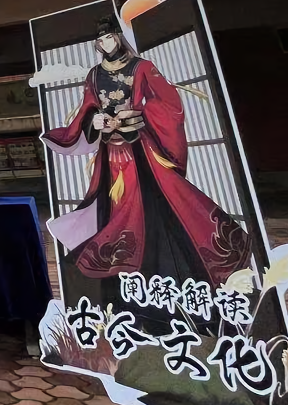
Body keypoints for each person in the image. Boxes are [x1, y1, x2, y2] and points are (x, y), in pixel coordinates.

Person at [41, 15, 250, 302]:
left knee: (160, 199)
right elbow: (88, 108)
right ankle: (121, 266)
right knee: (114, 204)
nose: (106, 43)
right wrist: (95, 120)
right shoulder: (94, 75)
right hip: (111, 151)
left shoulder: (142, 67)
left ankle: (165, 268)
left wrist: (137, 112)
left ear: (119, 37)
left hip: (140, 147)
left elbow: (168, 103)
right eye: (100, 40)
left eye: (109, 37)